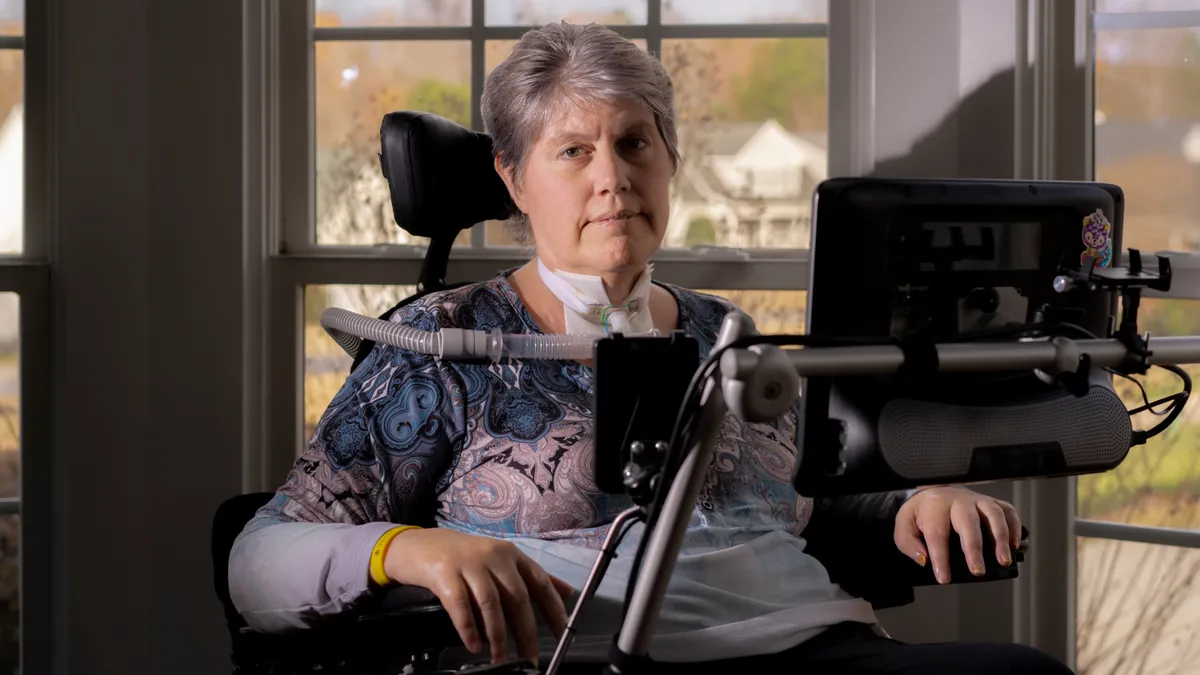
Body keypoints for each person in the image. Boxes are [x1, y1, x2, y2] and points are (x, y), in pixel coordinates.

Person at [229, 21, 1074, 675]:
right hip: (606, 656)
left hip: (816, 644)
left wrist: (912, 507)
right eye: (573, 151)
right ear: (515, 182)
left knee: (1023, 673)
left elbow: (794, 511)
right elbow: (258, 560)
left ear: (670, 160)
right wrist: (407, 545)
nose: (614, 177)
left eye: (635, 142)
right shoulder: (439, 347)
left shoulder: (729, 335)